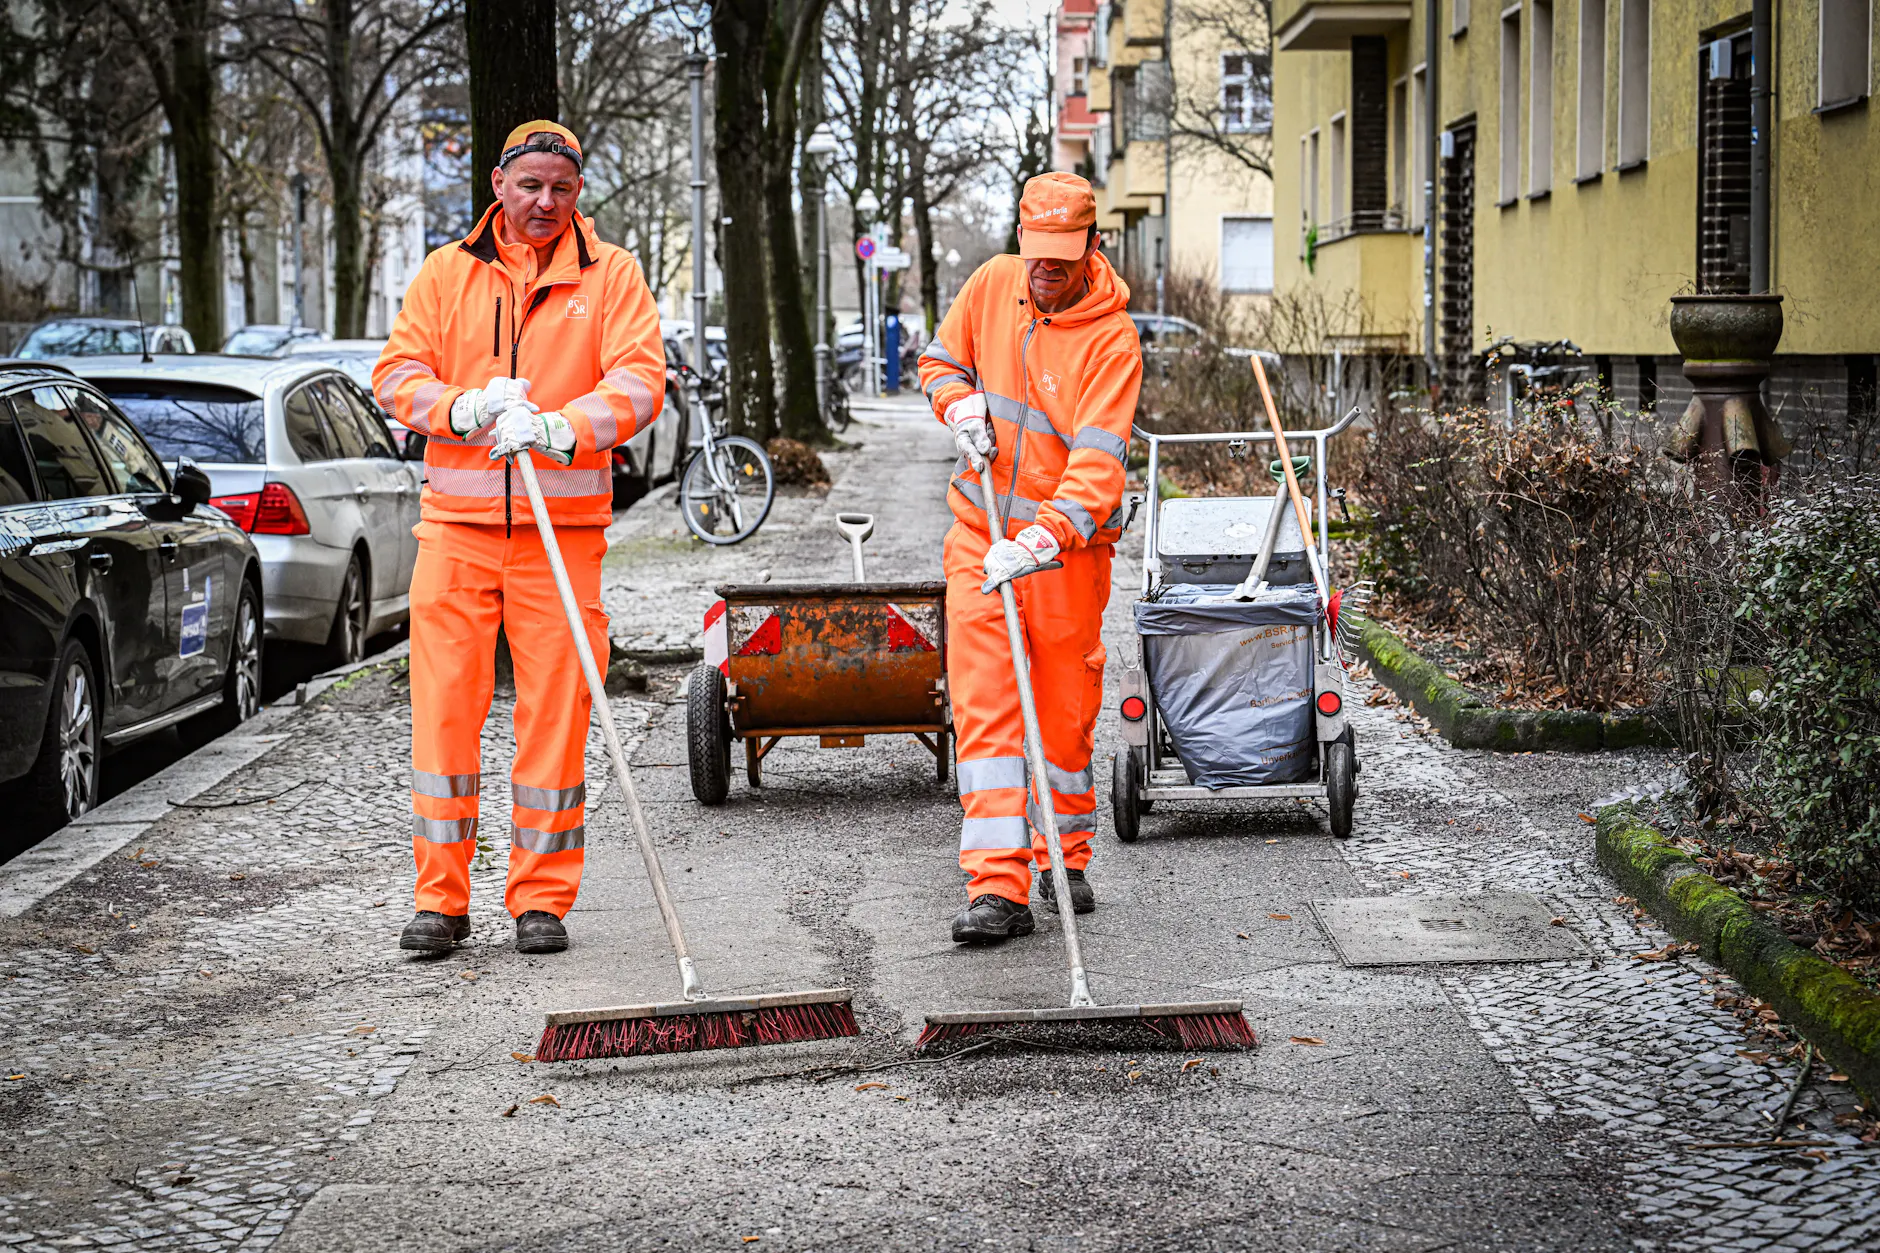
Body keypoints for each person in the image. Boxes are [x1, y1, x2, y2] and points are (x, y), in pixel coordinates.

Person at [373, 121, 666, 956]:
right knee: (443, 718)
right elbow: (396, 374)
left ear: (579, 193)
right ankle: (440, 901)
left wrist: (559, 427)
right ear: (498, 184)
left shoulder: (610, 275)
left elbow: (641, 379)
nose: (545, 201)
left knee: (556, 720)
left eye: (561, 188)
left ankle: (540, 900)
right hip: (455, 535)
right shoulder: (446, 272)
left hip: (560, 538)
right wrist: (462, 408)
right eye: (530, 185)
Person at [916, 172, 1144, 944]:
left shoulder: (1112, 340)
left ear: (1092, 246)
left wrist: (1043, 537)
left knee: (1064, 718)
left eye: (1062, 254)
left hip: (1063, 557)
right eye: (1036, 250)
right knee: (985, 710)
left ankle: (1063, 857)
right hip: (980, 538)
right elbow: (940, 360)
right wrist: (958, 403)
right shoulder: (992, 285)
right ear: (1020, 238)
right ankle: (997, 886)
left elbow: (1098, 464)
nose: (1046, 268)